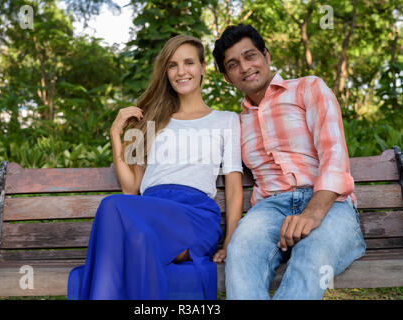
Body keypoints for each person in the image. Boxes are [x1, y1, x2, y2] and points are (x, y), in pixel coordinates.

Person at [67, 35, 243, 300]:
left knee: (111, 206)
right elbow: (132, 188)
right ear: (166, 72)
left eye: (189, 63)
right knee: (137, 241)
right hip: (148, 213)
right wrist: (116, 134)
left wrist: (230, 241)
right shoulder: (151, 122)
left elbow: (232, 188)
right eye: (173, 65)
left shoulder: (226, 121)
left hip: (194, 216)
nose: (181, 71)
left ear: (203, 67)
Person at [212, 24, 366, 300]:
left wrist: (312, 213)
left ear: (266, 56)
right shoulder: (235, 123)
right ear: (227, 77)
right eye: (233, 64)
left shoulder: (308, 88)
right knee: (242, 252)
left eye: (250, 56)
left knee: (312, 251)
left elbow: (334, 155)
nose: (245, 67)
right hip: (268, 210)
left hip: (329, 205)